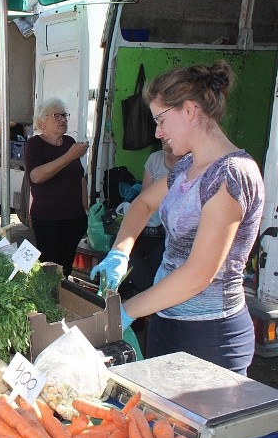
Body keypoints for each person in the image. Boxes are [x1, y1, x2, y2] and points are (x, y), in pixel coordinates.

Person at [90, 61, 264, 375]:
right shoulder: (186, 168)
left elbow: (199, 274)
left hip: (210, 335)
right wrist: (120, 251)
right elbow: (143, 204)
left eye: (161, 120)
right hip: (165, 321)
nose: (158, 132)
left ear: (189, 110)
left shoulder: (231, 174)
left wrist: (126, 311)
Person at [24, 97, 89, 277]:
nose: (63, 119)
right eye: (57, 116)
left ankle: (63, 299)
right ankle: (49, 301)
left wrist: (85, 208)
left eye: (64, 115)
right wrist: (69, 156)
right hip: (49, 219)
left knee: (67, 267)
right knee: (50, 268)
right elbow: (35, 176)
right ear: (42, 122)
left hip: (74, 217)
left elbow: (80, 178)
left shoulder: (69, 142)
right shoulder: (35, 144)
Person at [118, 140, 182, 301]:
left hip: (174, 231)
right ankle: (140, 296)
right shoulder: (155, 159)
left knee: (159, 256)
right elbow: (144, 199)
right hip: (152, 225)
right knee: (125, 250)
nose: (158, 134)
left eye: (163, 124)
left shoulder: (194, 164)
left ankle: (143, 297)